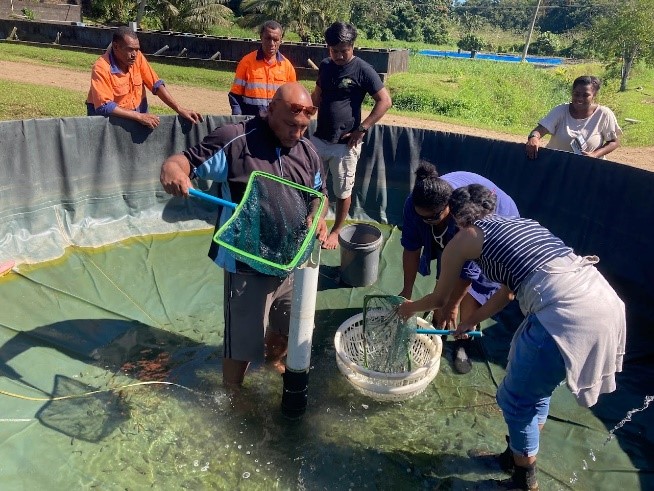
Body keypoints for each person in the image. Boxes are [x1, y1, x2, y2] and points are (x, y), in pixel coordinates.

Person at [399, 184, 626, 490]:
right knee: (535, 392)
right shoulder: (523, 225)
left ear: (456, 215)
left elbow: (440, 300)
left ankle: (524, 481)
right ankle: (515, 456)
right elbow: (508, 292)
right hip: (602, 301)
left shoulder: (465, 237)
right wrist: (471, 321)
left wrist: (409, 308)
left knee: (516, 400)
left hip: (568, 315)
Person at [160, 82, 328, 387]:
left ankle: (274, 359)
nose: (297, 133)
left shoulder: (308, 151)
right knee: (243, 338)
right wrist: (172, 169)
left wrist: (318, 216)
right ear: (271, 108)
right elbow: (184, 161)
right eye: (291, 125)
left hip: (292, 262)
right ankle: (233, 392)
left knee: (289, 322)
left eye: (303, 127)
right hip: (246, 262)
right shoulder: (235, 140)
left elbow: (320, 194)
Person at [400, 163, 520, 374]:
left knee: (467, 296)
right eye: (422, 218)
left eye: (433, 218)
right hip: (454, 227)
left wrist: (451, 305)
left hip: (494, 214)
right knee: (444, 290)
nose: (426, 222)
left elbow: (467, 274)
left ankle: (462, 342)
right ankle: (439, 327)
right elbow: (411, 247)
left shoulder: (466, 222)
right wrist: (406, 293)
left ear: (450, 207)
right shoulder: (414, 206)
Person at [311, 21, 392, 250]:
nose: (338, 55)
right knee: (314, 186)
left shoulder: (363, 70)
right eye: (333, 50)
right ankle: (315, 223)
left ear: (352, 46)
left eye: (343, 51)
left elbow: (385, 101)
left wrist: (363, 128)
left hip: (345, 145)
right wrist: (305, 110)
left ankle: (336, 230)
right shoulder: (325, 65)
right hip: (319, 138)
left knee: (342, 190)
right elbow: (318, 94)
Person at [86, 26, 202, 129]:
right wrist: (139, 116)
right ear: (116, 47)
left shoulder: (137, 58)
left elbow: (156, 84)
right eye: (130, 49)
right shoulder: (101, 67)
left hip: (136, 115)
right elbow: (104, 106)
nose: (134, 54)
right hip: (110, 123)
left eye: (137, 49)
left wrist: (179, 108)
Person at [526, 75, 621, 160]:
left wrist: (594, 155)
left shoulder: (603, 114)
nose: (580, 98)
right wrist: (534, 138)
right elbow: (539, 130)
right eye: (576, 94)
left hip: (589, 168)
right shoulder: (560, 111)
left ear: (594, 95)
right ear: (572, 93)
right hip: (557, 166)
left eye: (585, 95)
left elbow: (613, 142)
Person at [228, 20, 297, 116]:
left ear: (281, 40)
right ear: (261, 37)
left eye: (276, 39)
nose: (271, 43)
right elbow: (235, 95)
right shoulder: (246, 62)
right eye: (268, 38)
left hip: (277, 124)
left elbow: (293, 99)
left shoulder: (287, 67)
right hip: (251, 122)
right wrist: (238, 118)